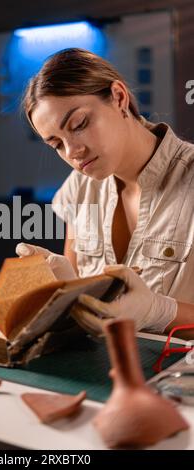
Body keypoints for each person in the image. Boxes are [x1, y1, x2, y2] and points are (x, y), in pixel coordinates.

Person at [16, 48, 194, 339]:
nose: (73, 152)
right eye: (56, 144)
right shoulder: (78, 188)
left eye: (79, 125)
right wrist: (63, 293)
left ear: (119, 98)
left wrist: (161, 312)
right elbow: (74, 297)